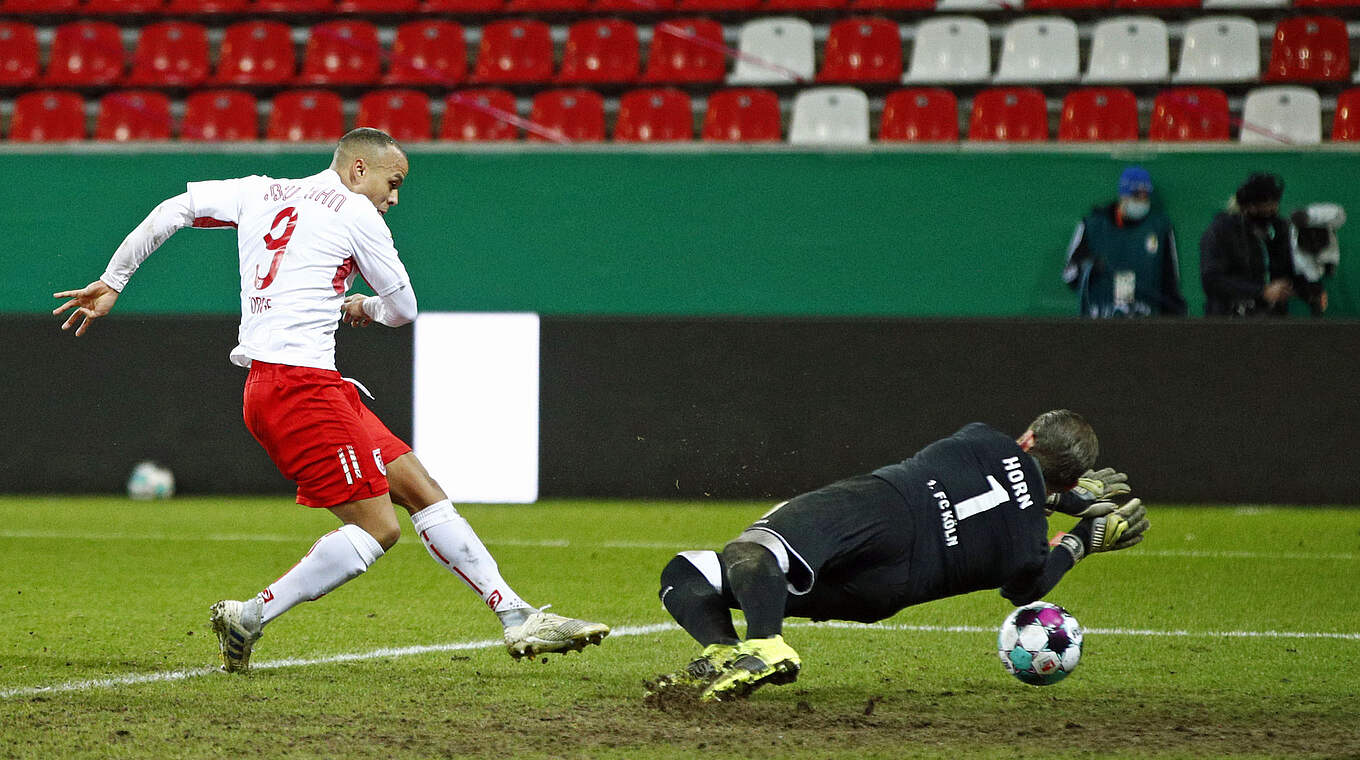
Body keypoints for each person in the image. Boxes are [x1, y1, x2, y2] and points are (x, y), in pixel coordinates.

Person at [53, 128, 609, 673]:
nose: (394, 198)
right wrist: (363, 307)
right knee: (378, 528)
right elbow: (404, 308)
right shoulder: (354, 211)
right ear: (358, 169)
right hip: (300, 389)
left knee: (420, 489)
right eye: (393, 183)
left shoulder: (259, 190)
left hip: (296, 385)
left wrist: (114, 279)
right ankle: (251, 614)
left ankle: (515, 615)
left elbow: (174, 208)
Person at [649, 410, 1147, 703]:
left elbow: (1003, 481)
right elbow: (1027, 588)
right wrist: (1083, 539)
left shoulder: (984, 438)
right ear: (1066, 479)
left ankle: (765, 644)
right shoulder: (1028, 549)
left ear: (1030, 438)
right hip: (889, 589)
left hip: (883, 509)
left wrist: (1061, 495)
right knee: (691, 570)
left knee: (752, 550)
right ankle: (721, 651)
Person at [1062, 166, 1187, 318]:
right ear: (1123, 195)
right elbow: (1069, 275)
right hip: (1099, 319)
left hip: (1145, 320)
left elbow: (1170, 282)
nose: (1141, 201)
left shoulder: (1160, 228)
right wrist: (1087, 267)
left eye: (1145, 196)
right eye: (1136, 195)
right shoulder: (1091, 226)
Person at [1201, 172, 1311, 317]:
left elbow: (1287, 271)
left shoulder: (1279, 229)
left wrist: (1301, 288)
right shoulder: (1221, 231)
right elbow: (1212, 281)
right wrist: (1261, 292)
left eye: (1275, 202)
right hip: (1229, 319)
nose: (1273, 209)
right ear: (1248, 206)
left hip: (1272, 317)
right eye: (1267, 203)